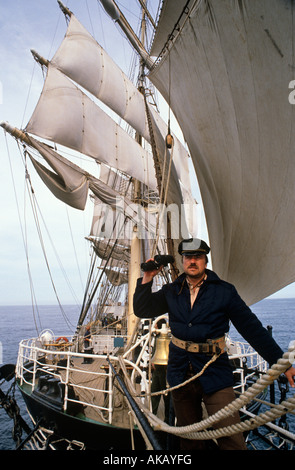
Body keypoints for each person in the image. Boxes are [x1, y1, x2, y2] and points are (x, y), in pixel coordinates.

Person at [133, 238, 295, 450]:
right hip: (180, 371)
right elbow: (142, 309)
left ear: (205, 261)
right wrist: (148, 276)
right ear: (183, 261)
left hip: (214, 371)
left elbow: (251, 328)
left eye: (197, 257)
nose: (193, 261)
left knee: (230, 436)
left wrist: (281, 363)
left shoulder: (224, 291)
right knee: (189, 437)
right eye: (188, 257)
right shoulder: (172, 291)